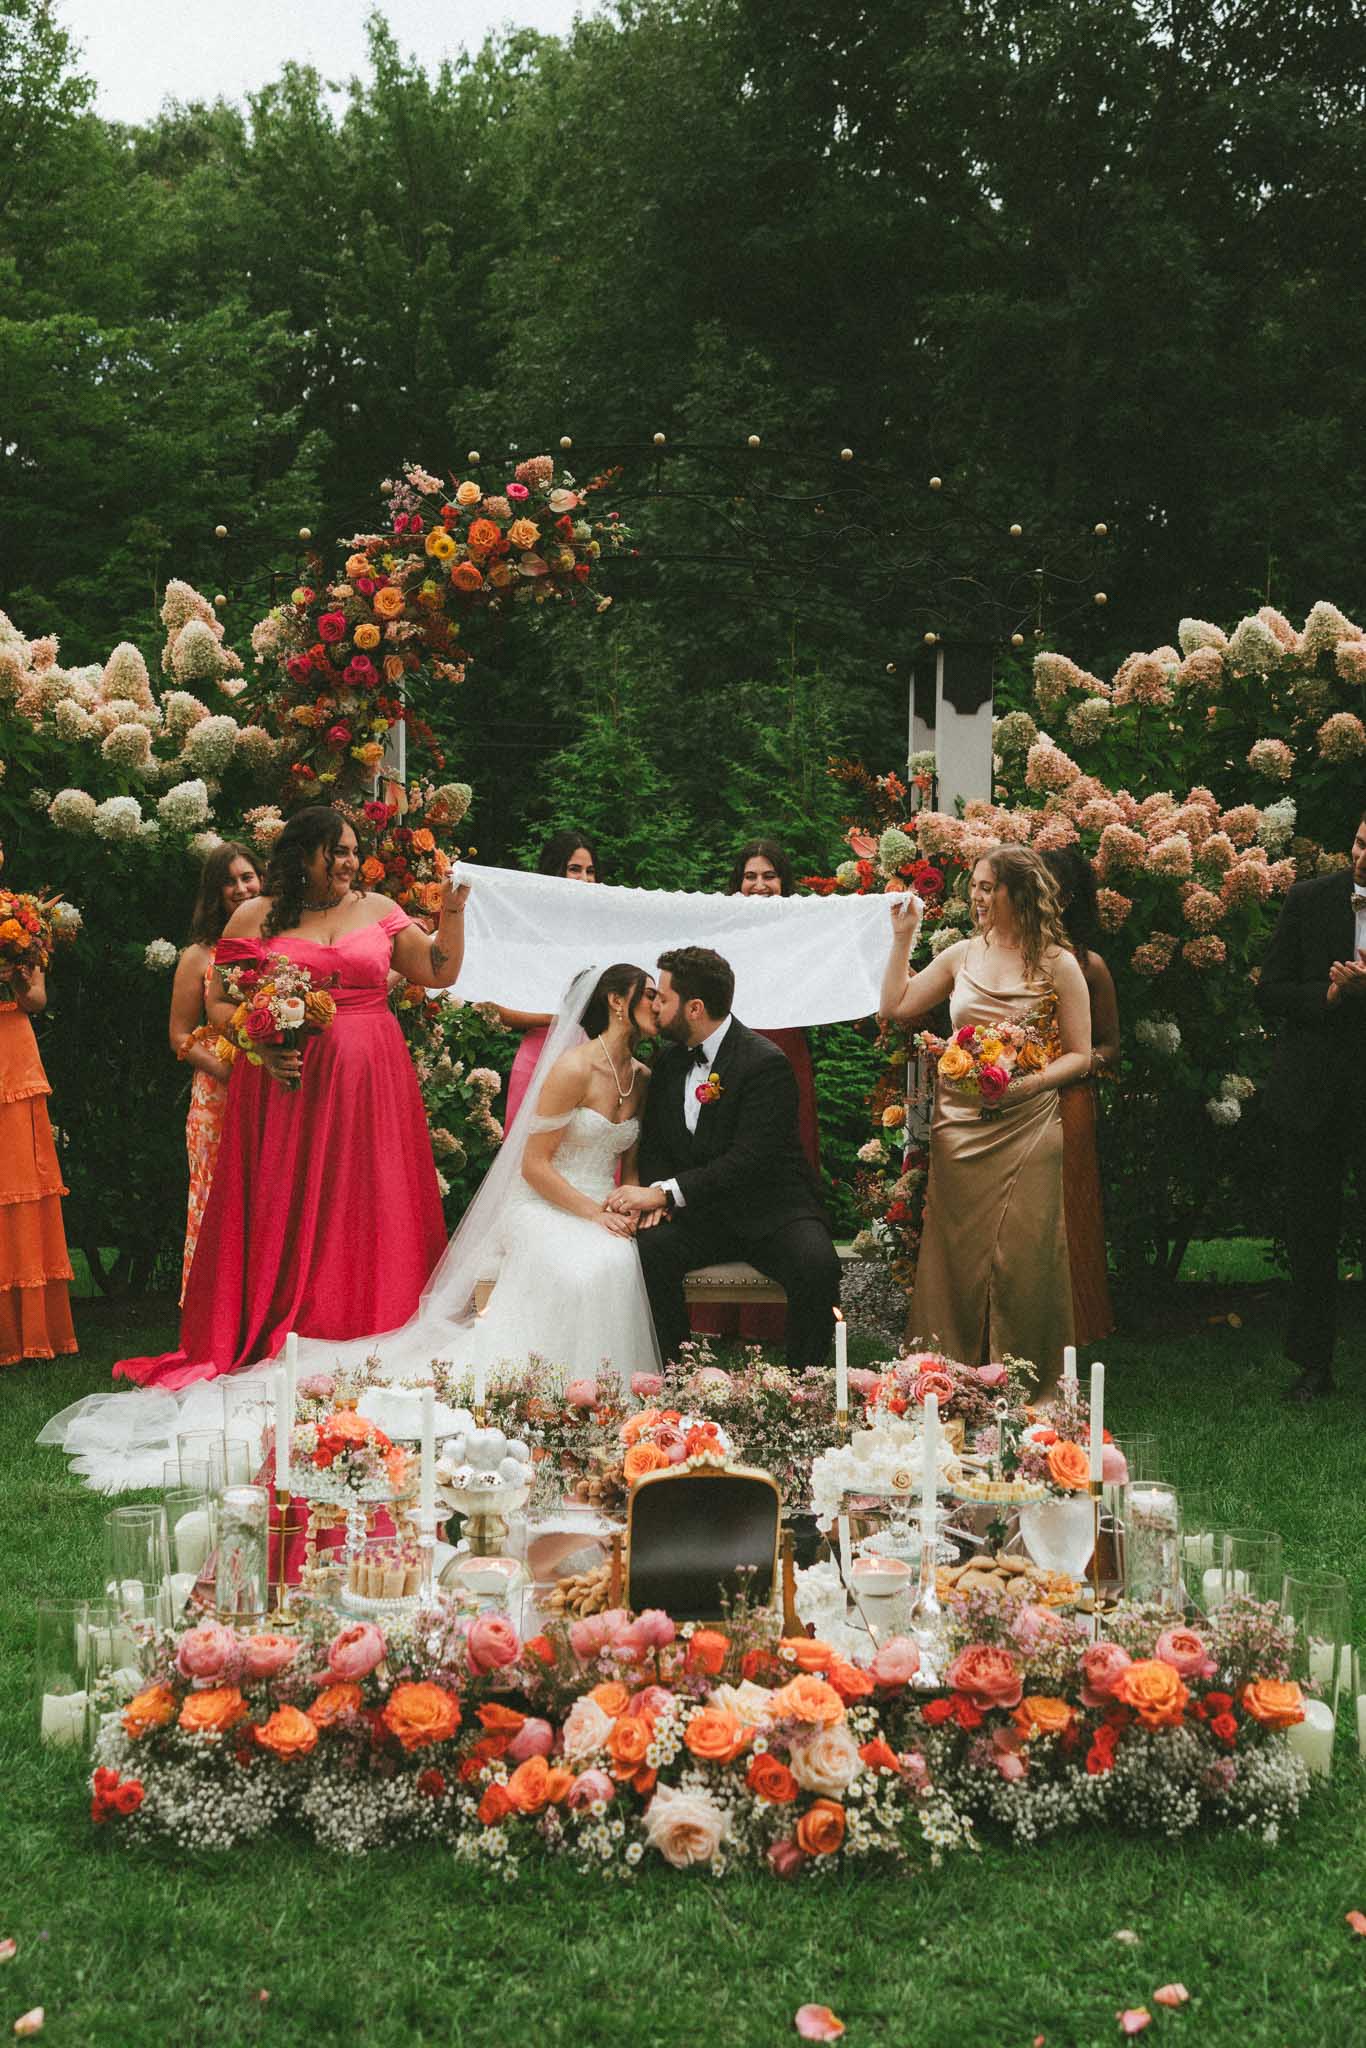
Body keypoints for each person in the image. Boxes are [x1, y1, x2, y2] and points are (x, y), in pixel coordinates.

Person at [113, 806, 469, 1392]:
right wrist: (258, 1040)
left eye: (355, 850)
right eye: (339, 851)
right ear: (303, 856)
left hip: (372, 1084)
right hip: (287, 1088)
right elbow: (220, 1004)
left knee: (369, 1194)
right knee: (295, 1196)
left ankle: (375, 1317)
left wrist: (451, 914)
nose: (351, 861)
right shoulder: (254, 917)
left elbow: (439, 970)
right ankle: (289, 1314)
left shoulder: (379, 910)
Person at [880, 845, 1091, 1398]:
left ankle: (1026, 1386)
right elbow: (896, 1006)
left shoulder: (1057, 963)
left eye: (986, 886)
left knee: (1025, 1256)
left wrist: (1028, 1083)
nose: (975, 895)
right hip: (960, 1125)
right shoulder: (961, 957)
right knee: (953, 1256)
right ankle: (945, 1382)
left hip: (1029, 1123)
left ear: (1017, 892)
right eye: (972, 884)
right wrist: (903, 937)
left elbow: (1081, 1054)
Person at [610, 945, 842, 1371]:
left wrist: (663, 1195)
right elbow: (658, 1142)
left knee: (817, 1265)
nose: (655, 1006)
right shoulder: (669, 1060)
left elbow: (749, 1161)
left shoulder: (765, 1063)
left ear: (694, 1008)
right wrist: (659, 1199)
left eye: (662, 998)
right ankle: (677, 1374)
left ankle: (804, 1385)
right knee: (650, 1249)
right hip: (702, 1215)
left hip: (771, 1210)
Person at [690, 839, 823, 1348]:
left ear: (784, 884)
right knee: (727, 1159)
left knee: (782, 1165)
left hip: (786, 1053)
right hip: (731, 1054)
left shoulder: (803, 934)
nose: (760, 885)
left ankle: (774, 1319)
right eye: (750, 876)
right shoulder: (720, 936)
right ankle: (717, 1316)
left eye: (769, 876)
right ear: (736, 883)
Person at [1256, 807, 1366, 1403]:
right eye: (1358, 843)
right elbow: (1269, 992)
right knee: (1311, 1233)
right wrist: (1327, 994)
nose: (1362, 859)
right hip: (1312, 1095)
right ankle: (1313, 1367)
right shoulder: (1311, 900)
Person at [168, 841, 262, 1302]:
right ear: (215, 892)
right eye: (230, 881)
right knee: (213, 1199)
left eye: (248, 877)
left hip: (269, 1090)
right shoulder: (199, 957)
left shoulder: (276, 949)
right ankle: (208, 1305)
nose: (241, 888)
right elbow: (179, 1036)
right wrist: (228, 1070)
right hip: (217, 1094)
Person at [0, 852, 77, 1370]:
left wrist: (17, 974)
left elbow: (38, 1001)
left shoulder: (19, 917)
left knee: (18, 1180)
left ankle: (27, 1332)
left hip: (13, 1051)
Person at [1042, 844, 1119, 1346]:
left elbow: (1111, 1046)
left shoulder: (1089, 965)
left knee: (1066, 1213)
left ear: (1064, 898)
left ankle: (1073, 1326)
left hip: (1067, 1101)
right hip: (1005, 1095)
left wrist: (1071, 1063)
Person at [498, 830, 602, 1128]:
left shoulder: (604, 932)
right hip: (538, 1056)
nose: (584, 879)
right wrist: (560, 1017)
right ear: (553, 872)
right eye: (574, 869)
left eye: (590, 871)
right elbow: (502, 1012)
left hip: (595, 1059)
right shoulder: (529, 935)